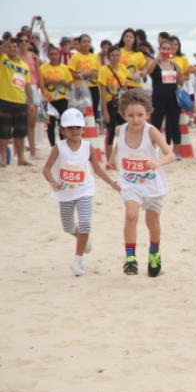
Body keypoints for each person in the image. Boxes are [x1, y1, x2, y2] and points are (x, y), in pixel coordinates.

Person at [41, 108, 120, 276]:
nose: (75, 131)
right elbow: (46, 169)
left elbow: (97, 169)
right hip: (65, 193)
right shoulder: (59, 147)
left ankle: (77, 260)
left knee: (85, 223)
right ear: (63, 130)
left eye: (78, 127)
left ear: (83, 129)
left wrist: (112, 183)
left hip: (85, 190)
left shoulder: (88, 147)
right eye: (70, 128)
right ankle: (82, 237)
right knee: (68, 227)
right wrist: (53, 182)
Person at [112, 89, 175, 276]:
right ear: (123, 115)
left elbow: (171, 155)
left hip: (152, 184)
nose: (135, 119)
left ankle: (154, 252)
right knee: (131, 215)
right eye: (130, 115)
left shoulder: (151, 131)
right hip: (130, 182)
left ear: (148, 114)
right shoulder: (120, 130)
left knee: (152, 222)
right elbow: (119, 147)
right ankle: (130, 257)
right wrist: (112, 160)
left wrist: (157, 163)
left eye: (140, 115)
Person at [0, 37, 34, 167]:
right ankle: (3, 159)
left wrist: (30, 102)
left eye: (15, 46)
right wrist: (8, 42)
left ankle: (21, 159)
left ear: (19, 48)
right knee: (4, 132)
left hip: (20, 102)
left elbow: (28, 85)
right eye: (10, 47)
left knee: (20, 132)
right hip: (4, 100)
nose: (12, 49)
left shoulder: (24, 65)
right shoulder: (3, 59)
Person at [148, 39, 183, 157]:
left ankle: (176, 152)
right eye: (164, 48)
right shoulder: (155, 63)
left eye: (168, 49)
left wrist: (180, 72)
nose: (166, 51)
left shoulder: (174, 65)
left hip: (173, 99)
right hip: (158, 98)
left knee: (174, 124)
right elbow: (148, 71)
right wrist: (156, 58)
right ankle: (153, 150)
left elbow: (180, 82)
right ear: (159, 49)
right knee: (156, 124)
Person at [97, 45, 128, 164]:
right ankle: (110, 161)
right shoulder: (104, 70)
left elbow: (125, 88)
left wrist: (127, 106)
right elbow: (102, 92)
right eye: (113, 55)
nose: (115, 57)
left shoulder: (123, 69)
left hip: (121, 103)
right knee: (111, 132)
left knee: (124, 131)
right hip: (109, 103)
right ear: (108, 57)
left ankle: (121, 157)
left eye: (117, 55)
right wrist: (104, 111)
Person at [40, 45, 73, 147]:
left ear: (59, 55)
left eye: (55, 54)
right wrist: (49, 81)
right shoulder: (42, 68)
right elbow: (39, 84)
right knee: (50, 124)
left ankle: (63, 145)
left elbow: (70, 86)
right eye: (51, 54)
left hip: (62, 99)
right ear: (48, 56)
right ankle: (53, 146)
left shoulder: (64, 68)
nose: (53, 56)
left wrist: (63, 83)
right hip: (47, 100)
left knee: (63, 123)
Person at [68, 34, 102, 127]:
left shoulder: (94, 57)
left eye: (88, 41)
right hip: (80, 88)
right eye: (84, 41)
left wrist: (93, 74)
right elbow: (70, 74)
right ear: (79, 44)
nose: (86, 44)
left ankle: (91, 128)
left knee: (93, 110)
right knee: (81, 110)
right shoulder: (75, 57)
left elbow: (99, 72)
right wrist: (83, 75)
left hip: (94, 87)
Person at [18, 32, 42, 158]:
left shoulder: (33, 56)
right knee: (18, 122)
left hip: (32, 88)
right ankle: (18, 152)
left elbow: (39, 75)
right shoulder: (13, 56)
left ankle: (33, 152)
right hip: (18, 88)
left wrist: (43, 92)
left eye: (26, 41)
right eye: (21, 41)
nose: (24, 43)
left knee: (32, 123)